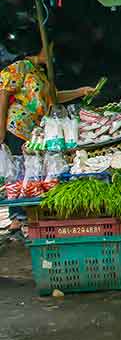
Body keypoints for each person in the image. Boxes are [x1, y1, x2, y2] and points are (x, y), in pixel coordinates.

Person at [0, 44, 95, 229]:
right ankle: (17, 219)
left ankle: (29, 216)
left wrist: (81, 91)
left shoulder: (40, 73)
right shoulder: (21, 66)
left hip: (34, 132)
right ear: (39, 48)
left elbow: (53, 97)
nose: (52, 53)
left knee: (33, 171)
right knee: (20, 171)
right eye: (49, 49)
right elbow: (3, 92)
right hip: (16, 127)